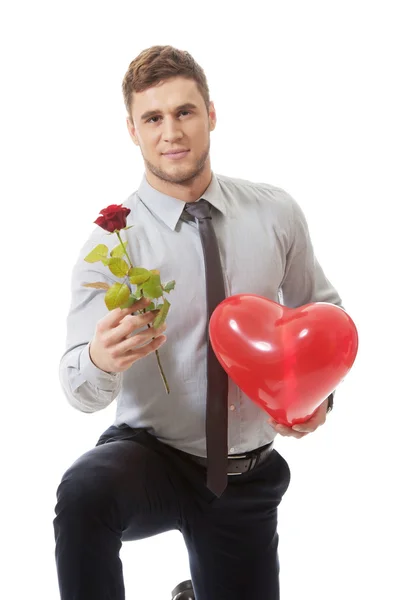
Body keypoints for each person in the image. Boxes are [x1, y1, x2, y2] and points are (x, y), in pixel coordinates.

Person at [53, 45, 342, 600]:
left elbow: (323, 315)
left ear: (211, 114)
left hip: (247, 473)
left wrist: (314, 400)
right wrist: (99, 359)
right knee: (85, 495)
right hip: (155, 456)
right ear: (133, 131)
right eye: (153, 118)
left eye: (184, 112)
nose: (171, 132)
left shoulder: (276, 213)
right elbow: (76, 386)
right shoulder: (112, 246)